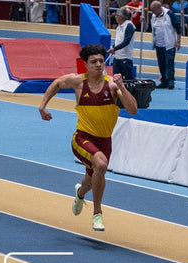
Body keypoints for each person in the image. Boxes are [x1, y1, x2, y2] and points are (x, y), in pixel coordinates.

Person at [38, 43, 137, 232]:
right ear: (85, 64)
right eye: (94, 62)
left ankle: (80, 193)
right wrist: (42, 106)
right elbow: (57, 83)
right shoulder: (78, 83)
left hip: (104, 141)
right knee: (100, 164)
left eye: (101, 61)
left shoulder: (112, 85)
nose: (99, 64)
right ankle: (97, 213)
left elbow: (133, 110)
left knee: (91, 180)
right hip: (82, 138)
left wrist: (123, 88)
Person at [148, 0, 179, 88]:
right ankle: (164, 81)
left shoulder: (169, 14)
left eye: (153, 10)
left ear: (158, 8)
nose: (152, 12)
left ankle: (171, 81)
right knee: (161, 64)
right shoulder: (154, 16)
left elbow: (178, 27)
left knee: (169, 63)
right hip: (159, 44)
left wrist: (178, 41)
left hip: (169, 44)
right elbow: (151, 28)